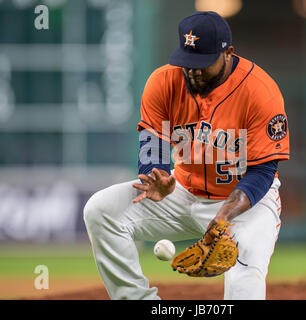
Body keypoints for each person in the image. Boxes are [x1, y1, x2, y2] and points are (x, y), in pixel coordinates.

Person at [84, 11, 290, 300]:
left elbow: (263, 172)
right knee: (100, 210)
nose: (193, 71)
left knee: (245, 279)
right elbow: (152, 140)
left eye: (202, 64)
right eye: (187, 62)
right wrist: (156, 175)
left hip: (245, 204)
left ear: (228, 53)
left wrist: (223, 217)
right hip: (181, 193)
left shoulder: (260, 92)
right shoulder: (163, 82)